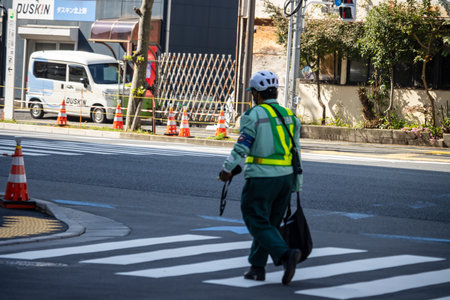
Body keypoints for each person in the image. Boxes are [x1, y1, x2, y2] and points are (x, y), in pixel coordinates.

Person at [219, 70, 303, 285]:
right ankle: (257, 268)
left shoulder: (253, 115)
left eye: (252, 93)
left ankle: (285, 255)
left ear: (256, 93)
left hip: (261, 178)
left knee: (255, 218)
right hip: (285, 178)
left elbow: (242, 145)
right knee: (270, 225)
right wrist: (297, 183)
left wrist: (228, 168)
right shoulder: (290, 116)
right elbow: (297, 152)